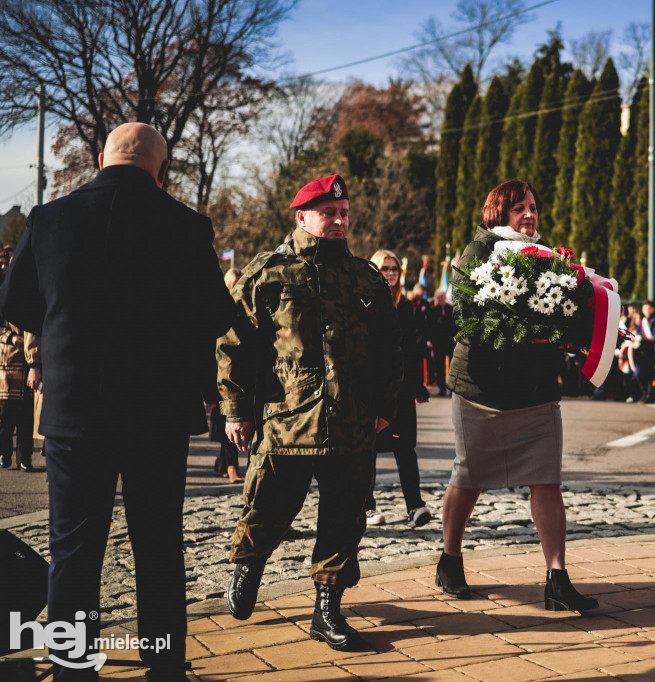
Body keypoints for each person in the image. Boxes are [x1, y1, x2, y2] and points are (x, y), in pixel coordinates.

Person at [0, 122, 234, 680]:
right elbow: (216, 315)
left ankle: (73, 668)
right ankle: (164, 666)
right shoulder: (186, 226)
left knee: (74, 551)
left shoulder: (50, 218)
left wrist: (63, 330)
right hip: (157, 411)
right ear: (162, 167)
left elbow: (13, 300)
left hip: (76, 409)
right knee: (158, 546)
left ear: (100, 158)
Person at [217, 173, 401, 653]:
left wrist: (385, 406)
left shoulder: (366, 278)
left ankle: (327, 610)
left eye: (343, 213)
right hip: (287, 423)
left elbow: (389, 348)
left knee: (344, 520)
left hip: (353, 423)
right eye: (328, 213)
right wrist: (236, 410)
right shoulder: (268, 273)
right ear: (302, 218)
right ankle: (248, 566)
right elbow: (234, 345)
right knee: (268, 508)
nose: (338, 220)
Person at [437, 179, 598, 613]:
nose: (529, 214)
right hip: (481, 391)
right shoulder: (477, 253)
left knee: (546, 481)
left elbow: (565, 313)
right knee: (468, 477)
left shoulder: (549, 258)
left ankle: (557, 579)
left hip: (535, 391)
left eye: (532, 206)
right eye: (518, 208)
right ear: (497, 213)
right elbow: (466, 317)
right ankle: (450, 559)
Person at [365, 249, 432, 529]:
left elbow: (413, 350)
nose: (390, 273)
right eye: (385, 268)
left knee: (406, 449)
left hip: (402, 388)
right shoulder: (367, 304)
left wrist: (419, 386)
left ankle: (414, 506)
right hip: (373, 388)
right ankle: (366, 508)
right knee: (367, 450)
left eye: (394, 269)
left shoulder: (406, 306)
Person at [209, 268, 245, 483]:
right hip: (220, 372)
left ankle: (223, 461)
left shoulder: (248, 307)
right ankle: (232, 467)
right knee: (228, 421)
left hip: (239, 372)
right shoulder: (220, 309)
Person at [0, 318, 36, 471]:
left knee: (26, 419)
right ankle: (4, 454)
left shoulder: (34, 298)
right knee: (5, 419)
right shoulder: (5, 298)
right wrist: (10, 337)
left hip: (30, 362)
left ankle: (25, 459)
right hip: (9, 366)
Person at [427, 288, 456, 397]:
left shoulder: (450, 309)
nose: (440, 299)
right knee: (439, 367)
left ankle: (452, 388)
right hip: (438, 344)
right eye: (438, 298)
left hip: (450, 343)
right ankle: (442, 388)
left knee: (452, 367)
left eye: (442, 297)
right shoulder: (433, 310)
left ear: (445, 298)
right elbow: (430, 327)